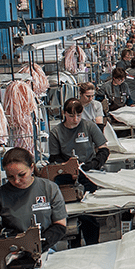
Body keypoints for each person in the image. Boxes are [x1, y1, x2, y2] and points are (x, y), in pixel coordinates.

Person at [0, 147, 67, 251]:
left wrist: (41, 244)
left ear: (32, 168)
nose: (16, 181)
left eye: (22, 175)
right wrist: (6, 234)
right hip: (13, 251)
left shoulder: (49, 189)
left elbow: (60, 225)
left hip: (46, 249)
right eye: (10, 177)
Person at [49, 98, 109, 245]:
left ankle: (92, 245)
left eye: (79, 115)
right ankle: (74, 246)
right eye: (71, 116)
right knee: (71, 215)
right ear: (64, 113)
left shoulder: (89, 126)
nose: (75, 120)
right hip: (66, 178)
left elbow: (104, 149)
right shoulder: (56, 132)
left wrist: (95, 163)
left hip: (88, 174)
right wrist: (67, 166)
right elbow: (54, 158)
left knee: (89, 214)